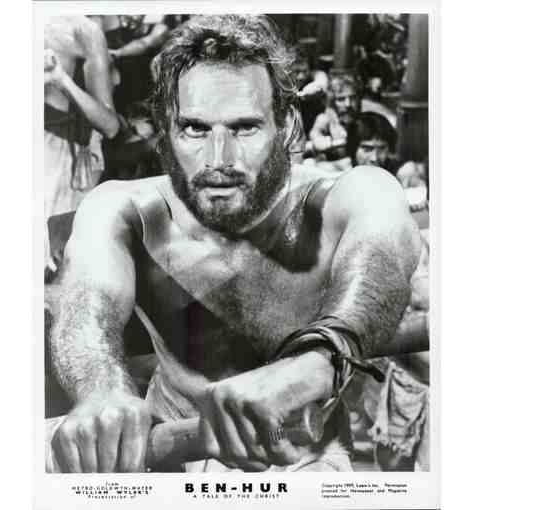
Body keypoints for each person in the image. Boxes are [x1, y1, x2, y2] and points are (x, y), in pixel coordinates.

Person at [46, 14, 421, 474]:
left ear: (287, 126)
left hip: (303, 454)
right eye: (195, 129)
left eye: (244, 128)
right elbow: (86, 302)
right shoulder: (126, 209)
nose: (218, 159)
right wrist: (102, 391)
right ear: (166, 130)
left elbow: (385, 246)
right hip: (170, 447)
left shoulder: (343, 196)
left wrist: (319, 360)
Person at [44, 16, 120, 273]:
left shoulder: (83, 32)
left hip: (56, 161)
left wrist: (61, 81)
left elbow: (110, 126)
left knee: (53, 269)